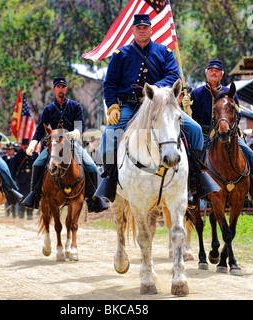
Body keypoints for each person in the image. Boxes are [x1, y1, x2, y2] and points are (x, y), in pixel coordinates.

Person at [94, 14, 219, 204]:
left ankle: (196, 177)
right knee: (108, 135)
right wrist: (112, 106)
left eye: (145, 27)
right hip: (130, 106)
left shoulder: (165, 52)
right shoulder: (121, 55)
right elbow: (109, 84)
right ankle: (110, 180)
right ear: (133, 30)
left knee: (194, 130)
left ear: (151, 29)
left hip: (161, 105)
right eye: (138, 27)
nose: (142, 30)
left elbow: (173, 75)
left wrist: (156, 89)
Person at [183, 59, 253, 205]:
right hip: (204, 134)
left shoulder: (229, 92)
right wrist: (184, 104)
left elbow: (238, 114)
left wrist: (228, 125)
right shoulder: (196, 93)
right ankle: (192, 192)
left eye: (217, 71)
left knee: (249, 154)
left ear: (221, 75)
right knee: (193, 158)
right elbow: (187, 117)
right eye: (211, 70)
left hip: (228, 133)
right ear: (206, 73)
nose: (214, 72)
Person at [22, 77, 108, 213]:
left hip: (71, 143)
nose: (61, 89)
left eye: (63, 87)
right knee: (37, 164)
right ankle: (35, 195)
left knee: (91, 166)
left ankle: (94, 199)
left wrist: (76, 132)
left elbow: (80, 124)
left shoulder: (75, 106)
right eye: (58, 87)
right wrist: (34, 142)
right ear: (54, 89)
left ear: (66, 89)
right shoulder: (48, 109)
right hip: (53, 145)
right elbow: (40, 129)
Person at [12, 138, 38, 219]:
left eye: (27, 145)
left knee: (31, 195)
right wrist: (13, 179)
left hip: (31, 178)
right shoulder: (18, 155)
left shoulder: (34, 154)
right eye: (24, 145)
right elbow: (14, 168)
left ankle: (30, 213)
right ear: (21, 146)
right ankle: (21, 212)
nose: (25, 146)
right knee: (22, 196)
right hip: (21, 179)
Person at [2, 143, 17, 217]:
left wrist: (15, 179)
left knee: (14, 195)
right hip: (6, 180)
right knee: (6, 196)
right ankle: (7, 213)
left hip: (14, 180)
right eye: (7, 150)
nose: (9, 151)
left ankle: (14, 213)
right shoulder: (4, 158)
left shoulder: (16, 158)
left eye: (10, 149)